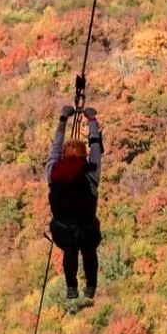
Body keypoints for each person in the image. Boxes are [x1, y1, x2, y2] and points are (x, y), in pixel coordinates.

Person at [46, 104, 104, 302]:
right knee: (89, 252)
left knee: (69, 252)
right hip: (87, 228)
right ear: (83, 155)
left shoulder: (53, 171)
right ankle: (91, 286)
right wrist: (92, 120)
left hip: (63, 230)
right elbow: (96, 146)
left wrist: (63, 118)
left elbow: (55, 146)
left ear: (64, 155)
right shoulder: (91, 173)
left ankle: (71, 287)